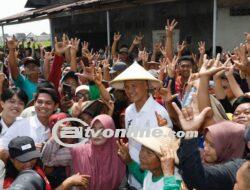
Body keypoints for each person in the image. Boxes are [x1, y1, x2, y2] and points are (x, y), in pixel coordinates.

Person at [110, 62, 173, 189]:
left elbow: (166, 151)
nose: (129, 91)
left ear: (146, 85)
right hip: (132, 177)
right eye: (127, 87)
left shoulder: (159, 113)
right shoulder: (128, 111)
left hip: (154, 181)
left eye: (134, 86)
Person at [172, 94, 249, 190]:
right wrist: (190, 132)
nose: (205, 147)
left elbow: (197, 178)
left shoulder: (240, 169)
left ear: (228, 147)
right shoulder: (201, 159)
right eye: (205, 141)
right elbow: (193, 174)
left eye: (212, 145)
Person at [70, 114, 126, 190]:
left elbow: (122, 186)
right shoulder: (78, 151)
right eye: (93, 129)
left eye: (102, 130)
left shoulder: (120, 155)